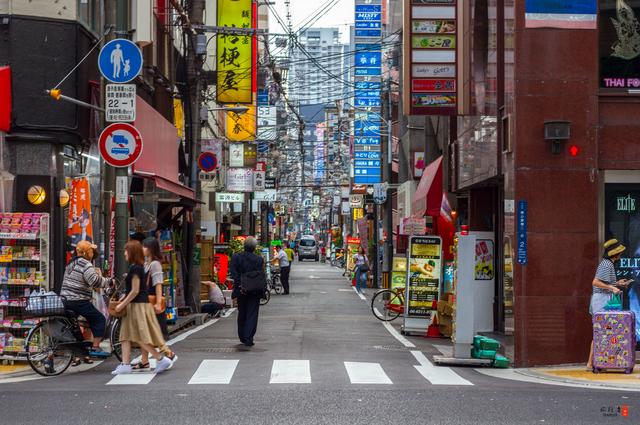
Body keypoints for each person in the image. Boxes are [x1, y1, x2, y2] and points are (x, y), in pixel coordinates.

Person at [111, 240, 173, 375]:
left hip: (137, 305)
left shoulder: (137, 268)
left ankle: (160, 358)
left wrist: (122, 303)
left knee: (137, 336)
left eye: (126, 251)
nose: (125, 254)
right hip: (137, 304)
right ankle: (125, 364)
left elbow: (135, 290)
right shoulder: (140, 266)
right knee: (125, 335)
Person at [60, 240, 113, 360]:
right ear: (87, 253)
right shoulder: (86, 264)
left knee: (75, 324)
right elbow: (94, 281)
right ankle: (95, 347)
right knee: (99, 319)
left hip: (65, 300)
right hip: (78, 300)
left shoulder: (71, 263)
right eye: (91, 250)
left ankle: (80, 351)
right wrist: (109, 281)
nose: (93, 253)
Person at [132, 237, 177, 372]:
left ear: (150, 249)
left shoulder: (155, 264)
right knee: (146, 333)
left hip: (152, 302)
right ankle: (145, 361)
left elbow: (158, 284)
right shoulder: (146, 263)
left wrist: (158, 303)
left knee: (150, 333)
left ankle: (169, 353)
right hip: (146, 302)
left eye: (144, 247)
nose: (142, 249)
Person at [587, 239, 632, 370]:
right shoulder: (606, 264)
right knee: (600, 332)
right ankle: (590, 363)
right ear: (615, 254)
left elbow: (604, 283)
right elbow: (595, 282)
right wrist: (613, 288)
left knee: (601, 332)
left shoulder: (608, 264)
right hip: (601, 299)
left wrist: (618, 283)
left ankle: (596, 362)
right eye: (620, 253)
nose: (621, 255)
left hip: (603, 299)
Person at [231, 237, 265, 347]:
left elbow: (233, 273)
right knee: (252, 313)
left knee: (242, 312)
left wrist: (240, 284)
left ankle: (242, 336)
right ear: (255, 247)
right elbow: (260, 275)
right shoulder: (259, 259)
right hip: (254, 290)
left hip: (241, 289)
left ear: (244, 245)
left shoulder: (236, 257)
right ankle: (248, 337)